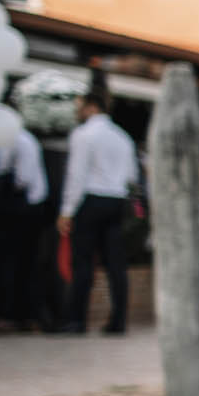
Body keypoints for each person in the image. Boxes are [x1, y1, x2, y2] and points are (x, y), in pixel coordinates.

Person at [56, 88, 139, 335]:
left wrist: (66, 211)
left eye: (79, 107)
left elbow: (76, 175)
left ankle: (76, 321)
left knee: (83, 262)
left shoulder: (83, 135)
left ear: (92, 107)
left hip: (91, 199)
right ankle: (118, 321)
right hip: (117, 200)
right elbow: (131, 175)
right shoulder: (123, 137)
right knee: (116, 264)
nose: (77, 112)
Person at [0, 121, 49, 331]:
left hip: (22, 209)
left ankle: (14, 313)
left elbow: (22, 179)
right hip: (21, 207)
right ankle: (18, 313)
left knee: (13, 262)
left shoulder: (19, 141)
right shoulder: (20, 140)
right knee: (20, 262)